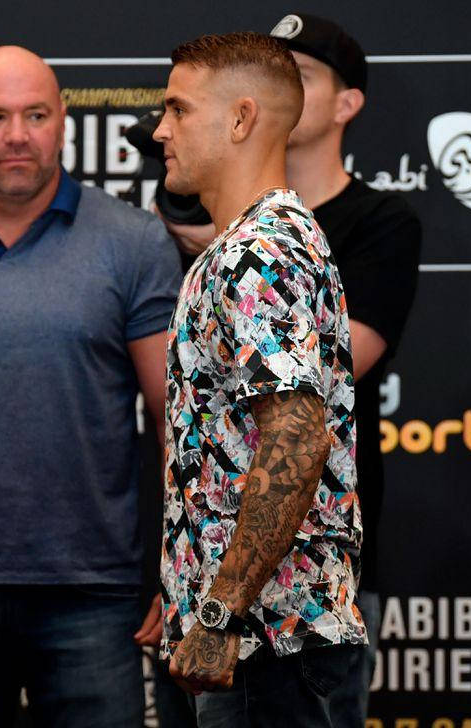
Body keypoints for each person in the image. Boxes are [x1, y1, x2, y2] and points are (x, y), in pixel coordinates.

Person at [0, 45, 182, 727]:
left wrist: (182, 566)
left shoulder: (134, 241)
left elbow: (174, 419)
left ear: (63, 124)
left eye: (36, 114)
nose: (17, 135)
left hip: (92, 592)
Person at [153, 32, 367, 727]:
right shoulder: (248, 246)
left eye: (178, 110)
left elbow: (296, 436)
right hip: (258, 634)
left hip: (269, 640)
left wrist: (220, 609)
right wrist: (189, 583)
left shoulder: (259, 253)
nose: (161, 130)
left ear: (241, 119)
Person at [269, 13, 423, 725]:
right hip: (205, 546)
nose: (282, 91)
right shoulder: (223, 223)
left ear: (347, 104)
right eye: (272, 75)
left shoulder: (380, 223)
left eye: (300, 76)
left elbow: (333, 366)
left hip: (325, 556)